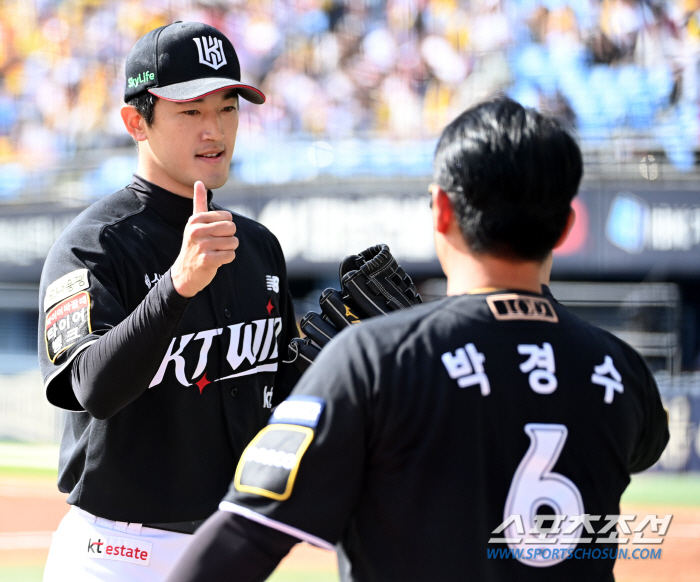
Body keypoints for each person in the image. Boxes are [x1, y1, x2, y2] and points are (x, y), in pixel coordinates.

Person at [165, 97, 669, 582]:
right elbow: (623, 442)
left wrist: (415, 347)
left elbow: (244, 536)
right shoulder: (620, 367)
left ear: (441, 210)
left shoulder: (374, 359)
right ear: (565, 227)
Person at [37, 21, 299, 581]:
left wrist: (346, 356)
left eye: (228, 108)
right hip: (118, 554)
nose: (215, 130)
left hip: (228, 544)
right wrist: (176, 287)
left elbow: (275, 403)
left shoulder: (256, 245)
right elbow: (92, 388)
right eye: (191, 111)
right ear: (137, 121)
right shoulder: (92, 246)